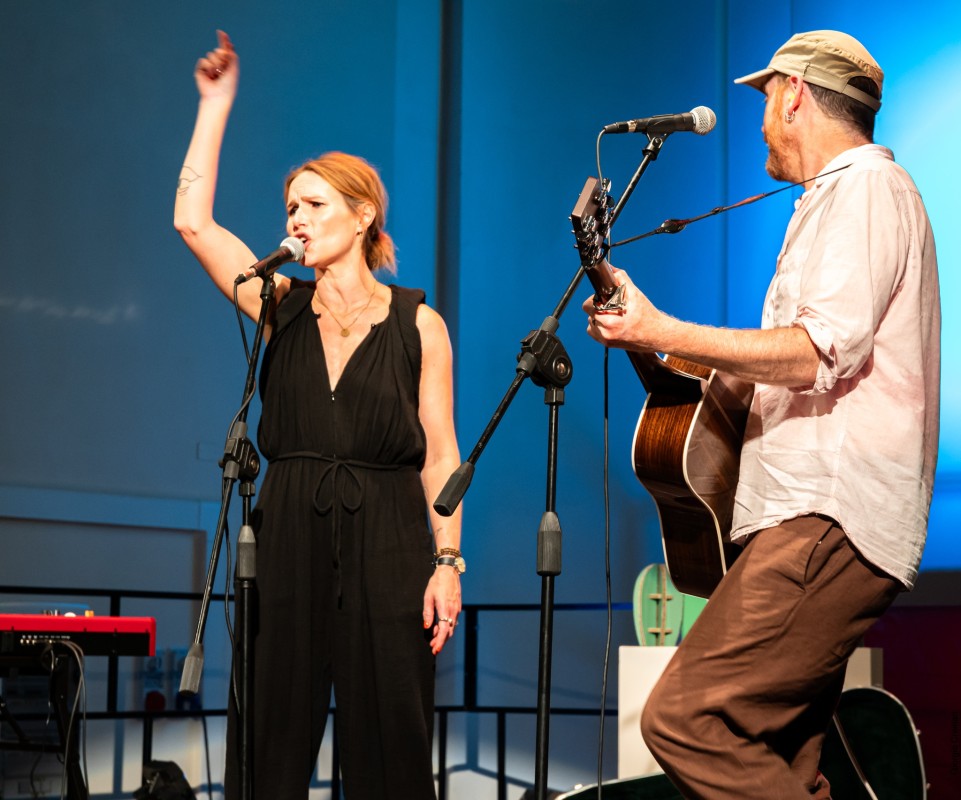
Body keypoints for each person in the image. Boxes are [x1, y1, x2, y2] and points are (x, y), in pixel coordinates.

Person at [583, 30, 940, 800]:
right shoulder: (837, 199)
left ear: (793, 94)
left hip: (825, 513)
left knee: (684, 719)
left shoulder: (865, 190)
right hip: (812, 513)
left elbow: (817, 352)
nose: (758, 120)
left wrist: (663, 330)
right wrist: (647, 340)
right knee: (779, 755)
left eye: (764, 100)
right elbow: (771, 373)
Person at [173, 30, 464, 800]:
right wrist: (216, 104)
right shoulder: (278, 306)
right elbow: (193, 225)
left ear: (362, 214)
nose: (295, 220)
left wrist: (447, 563)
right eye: (289, 207)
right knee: (270, 732)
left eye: (312, 205)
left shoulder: (417, 324)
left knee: (390, 743)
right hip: (290, 527)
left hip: (393, 536)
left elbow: (440, 454)